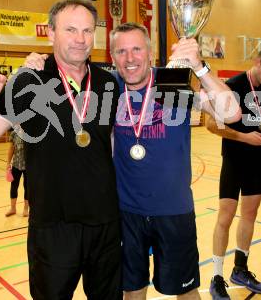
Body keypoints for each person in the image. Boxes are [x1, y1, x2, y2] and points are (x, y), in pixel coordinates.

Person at [25, 22, 241, 299]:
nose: (130, 58)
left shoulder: (171, 83)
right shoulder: (107, 88)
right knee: (132, 292)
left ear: (150, 53)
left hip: (174, 211)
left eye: (137, 49)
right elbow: (65, 75)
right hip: (125, 213)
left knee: (186, 293)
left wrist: (199, 66)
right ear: (112, 57)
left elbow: (232, 113)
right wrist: (38, 62)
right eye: (121, 51)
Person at [0, 0, 122, 300]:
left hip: (105, 223)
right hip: (52, 227)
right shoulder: (28, 81)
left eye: (88, 31)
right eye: (71, 30)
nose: (80, 39)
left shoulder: (108, 83)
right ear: (50, 33)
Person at [207, 52, 261, 299]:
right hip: (234, 161)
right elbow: (211, 124)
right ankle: (217, 276)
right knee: (225, 217)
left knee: (250, 214)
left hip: (257, 163)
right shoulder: (233, 86)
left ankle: (240, 268)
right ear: (257, 62)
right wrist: (244, 137)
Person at [5, 127, 29, 217]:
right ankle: (13, 208)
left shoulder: (31, 133)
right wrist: (8, 163)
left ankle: (26, 209)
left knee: (27, 187)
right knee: (14, 186)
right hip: (16, 164)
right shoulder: (14, 133)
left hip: (28, 166)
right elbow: (11, 148)